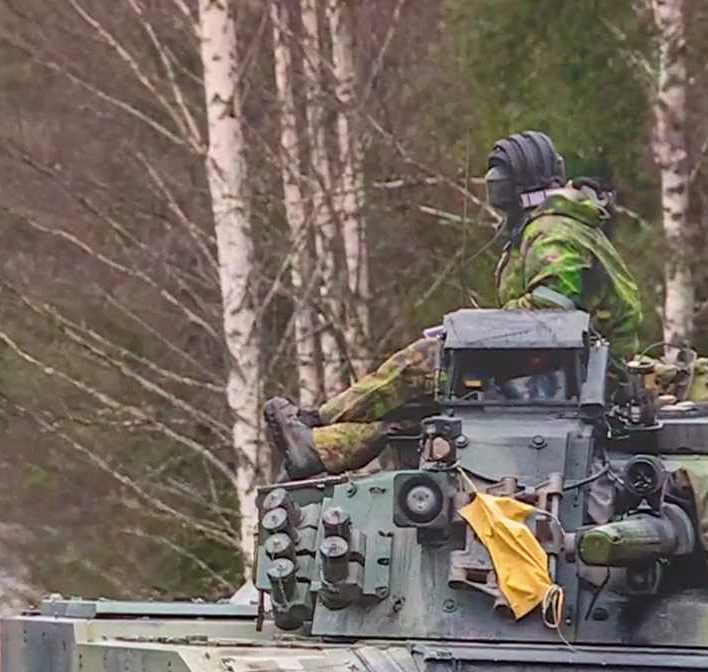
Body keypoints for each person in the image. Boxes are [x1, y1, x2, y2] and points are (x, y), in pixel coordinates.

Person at [263, 131, 644, 480]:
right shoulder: (546, 226)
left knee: (425, 361)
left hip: (582, 377)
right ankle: (318, 449)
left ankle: (317, 419)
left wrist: (475, 333)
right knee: (422, 413)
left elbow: (551, 313)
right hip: (560, 370)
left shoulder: (553, 230)